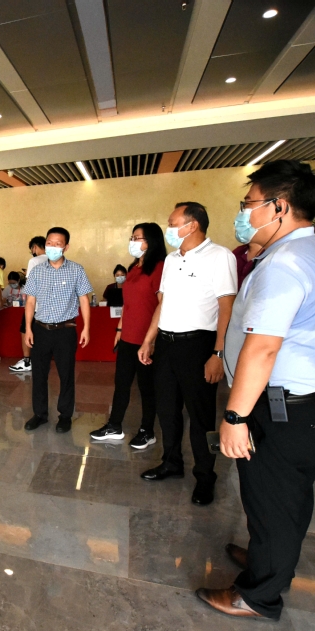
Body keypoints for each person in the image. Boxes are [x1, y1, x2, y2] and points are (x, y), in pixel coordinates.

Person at [195, 160, 315, 621]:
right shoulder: (304, 251)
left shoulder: (284, 263)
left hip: (280, 404)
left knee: (273, 498)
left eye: (249, 204)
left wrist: (235, 417)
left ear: (278, 207)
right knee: (287, 497)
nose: (243, 213)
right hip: (301, 402)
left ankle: (258, 595)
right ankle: (269, 557)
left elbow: (263, 348)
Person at [138, 202, 236, 506]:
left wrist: (218, 353)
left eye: (172, 223)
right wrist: (149, 340)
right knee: (167, 410)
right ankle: (171, 463)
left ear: (192, 225)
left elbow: (227, 308)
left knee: (201, 416)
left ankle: (205, 476)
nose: (168, 228)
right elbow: (163, 304)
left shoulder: (220, 256)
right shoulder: (171, 259)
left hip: (198, 345)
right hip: (166, 345)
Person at [89, 224, 166, 448]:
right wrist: (120, 330)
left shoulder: (159, 268)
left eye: (138, 238)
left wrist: (150, 341)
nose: (133, 241)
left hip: (147, 339)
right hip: (128, 338)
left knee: (146, 387)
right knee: (121, 383)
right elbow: (128, 304)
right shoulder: (133, 269)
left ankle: (147, 430)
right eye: (132, 237)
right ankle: (114, 425)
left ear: (151, 241)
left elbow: (163, 305)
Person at [23, 227, 92, 433]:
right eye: (49, 243)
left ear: (66, 247)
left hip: (65, 330)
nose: (52, 247)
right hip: (40, 329)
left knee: (66, 375)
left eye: (57, 243)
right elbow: (30, 301)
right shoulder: (37, 271)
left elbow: (84, 300)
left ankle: (65, 416)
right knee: (39, 375)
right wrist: (28, 328)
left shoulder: (76, 270)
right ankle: (40, 414)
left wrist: (86, 328)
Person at [10, 236, 47, 373]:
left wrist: (27, 274)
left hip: (35, 305)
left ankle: (27, 361)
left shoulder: (34, 261)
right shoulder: (55, 260)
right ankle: (41, 360)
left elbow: (31, 285)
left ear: (35, 247)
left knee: (25, 330)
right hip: (49, 306)